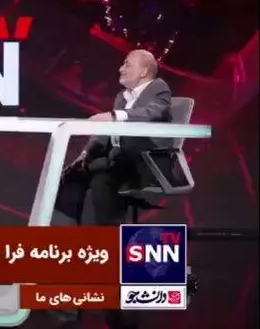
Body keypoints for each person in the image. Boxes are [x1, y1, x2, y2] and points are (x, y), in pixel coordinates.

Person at [51, 49, 172, 329]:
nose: (120, 69)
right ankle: (67, 260)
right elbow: (105, 133)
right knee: (68, 180)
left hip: (140, 165)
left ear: (144, 71)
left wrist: (115, 115)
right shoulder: (122, 96)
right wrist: (86, 153)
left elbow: (154, 113)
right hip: (114, 161)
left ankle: (110, 258)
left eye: (127, 64)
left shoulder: (158, 88)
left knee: (102, 180)